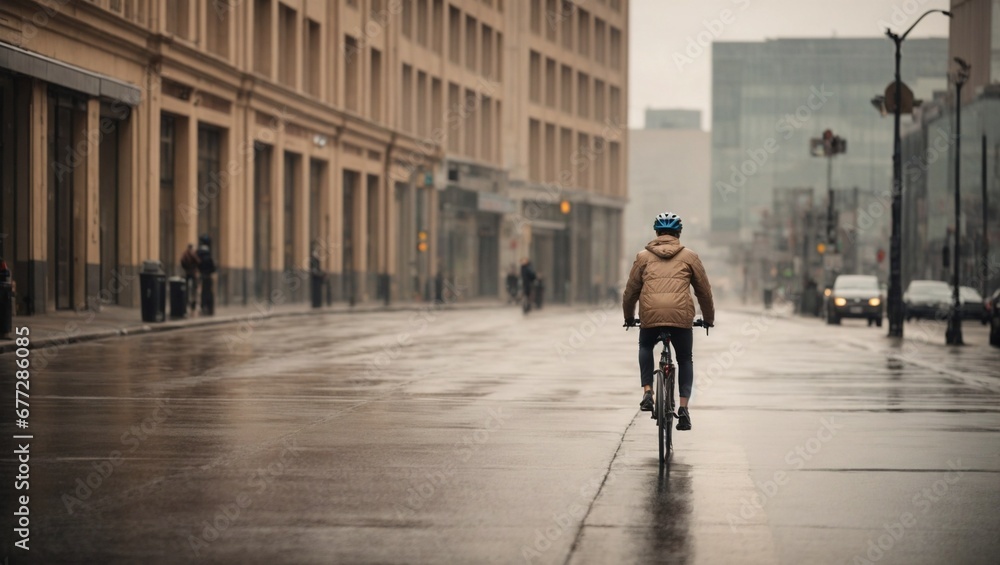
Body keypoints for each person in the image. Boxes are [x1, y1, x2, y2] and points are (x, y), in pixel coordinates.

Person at [622, 212, 714, 432]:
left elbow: (630, 292)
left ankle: (647, 392)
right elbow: (704, 292)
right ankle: (683, 408)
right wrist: (708, 319)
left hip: (650, 316)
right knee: (684, 358)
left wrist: (628, 317)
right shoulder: (690, 256)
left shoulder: (643, 257)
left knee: (645, 346)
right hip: (681, 317)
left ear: (656, 233)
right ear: (678, 233)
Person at [196, 234, 217, 316]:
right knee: (209, 293)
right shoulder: (209, 258)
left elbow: (198, 265)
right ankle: (209, 308)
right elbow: (213, 268)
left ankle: (203, 307)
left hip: (202, 276)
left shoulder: (199, 255)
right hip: (208, 277)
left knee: (203, 293)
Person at [180, 244, 200, 314]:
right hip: (192, 273)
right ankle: (192, 305)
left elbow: (182, 262)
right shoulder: (192, 254)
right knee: (194, 290)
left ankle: (187, 304)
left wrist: (186, 268)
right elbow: (198, 261)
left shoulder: (184, 254)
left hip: (187, 273)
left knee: (188, 289)